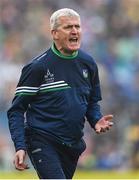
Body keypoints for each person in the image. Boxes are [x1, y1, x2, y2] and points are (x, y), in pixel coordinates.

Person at [7, 8, 114, 179]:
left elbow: (92, 102)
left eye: (77, 27)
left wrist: (96, 119)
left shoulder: (88, 64)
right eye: (68, 27)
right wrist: (20, 146)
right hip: (42, 139)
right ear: (54, 33)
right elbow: (16, 110)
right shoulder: (38, 67)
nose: (74, 31)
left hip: (72, 144)